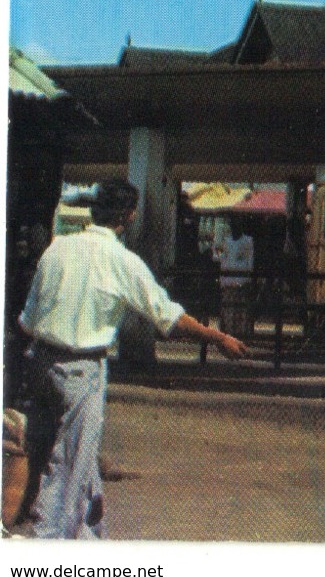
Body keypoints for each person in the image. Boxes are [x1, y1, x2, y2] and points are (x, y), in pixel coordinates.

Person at [17, 180, 248, 538]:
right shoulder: (123, 261)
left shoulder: (56, 250)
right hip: (82, 371)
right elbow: (169, 318)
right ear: (128, 216)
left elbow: (28, 319)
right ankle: (47, 551)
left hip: (39, 362)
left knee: (73, 457)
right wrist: (218, 337)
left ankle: (92, 541)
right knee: (68, 469)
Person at [213, 218, 256, 339]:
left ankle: (241, 334)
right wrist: (218, 242)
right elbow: (217, 257)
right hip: (228, 282)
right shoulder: (225, 242)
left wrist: (248, 279)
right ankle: (229, 334)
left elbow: (250, 262)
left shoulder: (248, 241)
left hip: (242, 282)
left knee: (241, 310)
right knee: (228, 309)